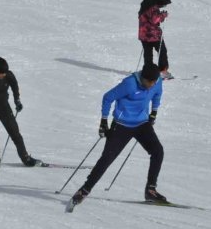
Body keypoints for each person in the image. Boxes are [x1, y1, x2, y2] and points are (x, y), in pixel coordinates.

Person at [70, 63, 166, 207]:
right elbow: (108, 97)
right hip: (122, 125)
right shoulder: (129, 84)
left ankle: (150, 190)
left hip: (142, 123)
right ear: (142, 78)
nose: (151, 85)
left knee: (158, 151)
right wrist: (104, 120)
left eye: (154, 82)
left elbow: (157, 94)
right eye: (149, 82)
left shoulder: (156, 81)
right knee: (107, 159)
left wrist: (154, 112)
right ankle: (84, 190)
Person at [138, 0, 173, 80]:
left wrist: (160, 14)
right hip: (152, 35)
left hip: (144, 34)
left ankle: (148, 73)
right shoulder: (153, 7)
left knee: (148, 54)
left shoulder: (147, 4)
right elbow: (154, 20)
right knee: (162, 51)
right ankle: (162, 71)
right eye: (164, 3)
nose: (163, 5)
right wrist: (163, 15)